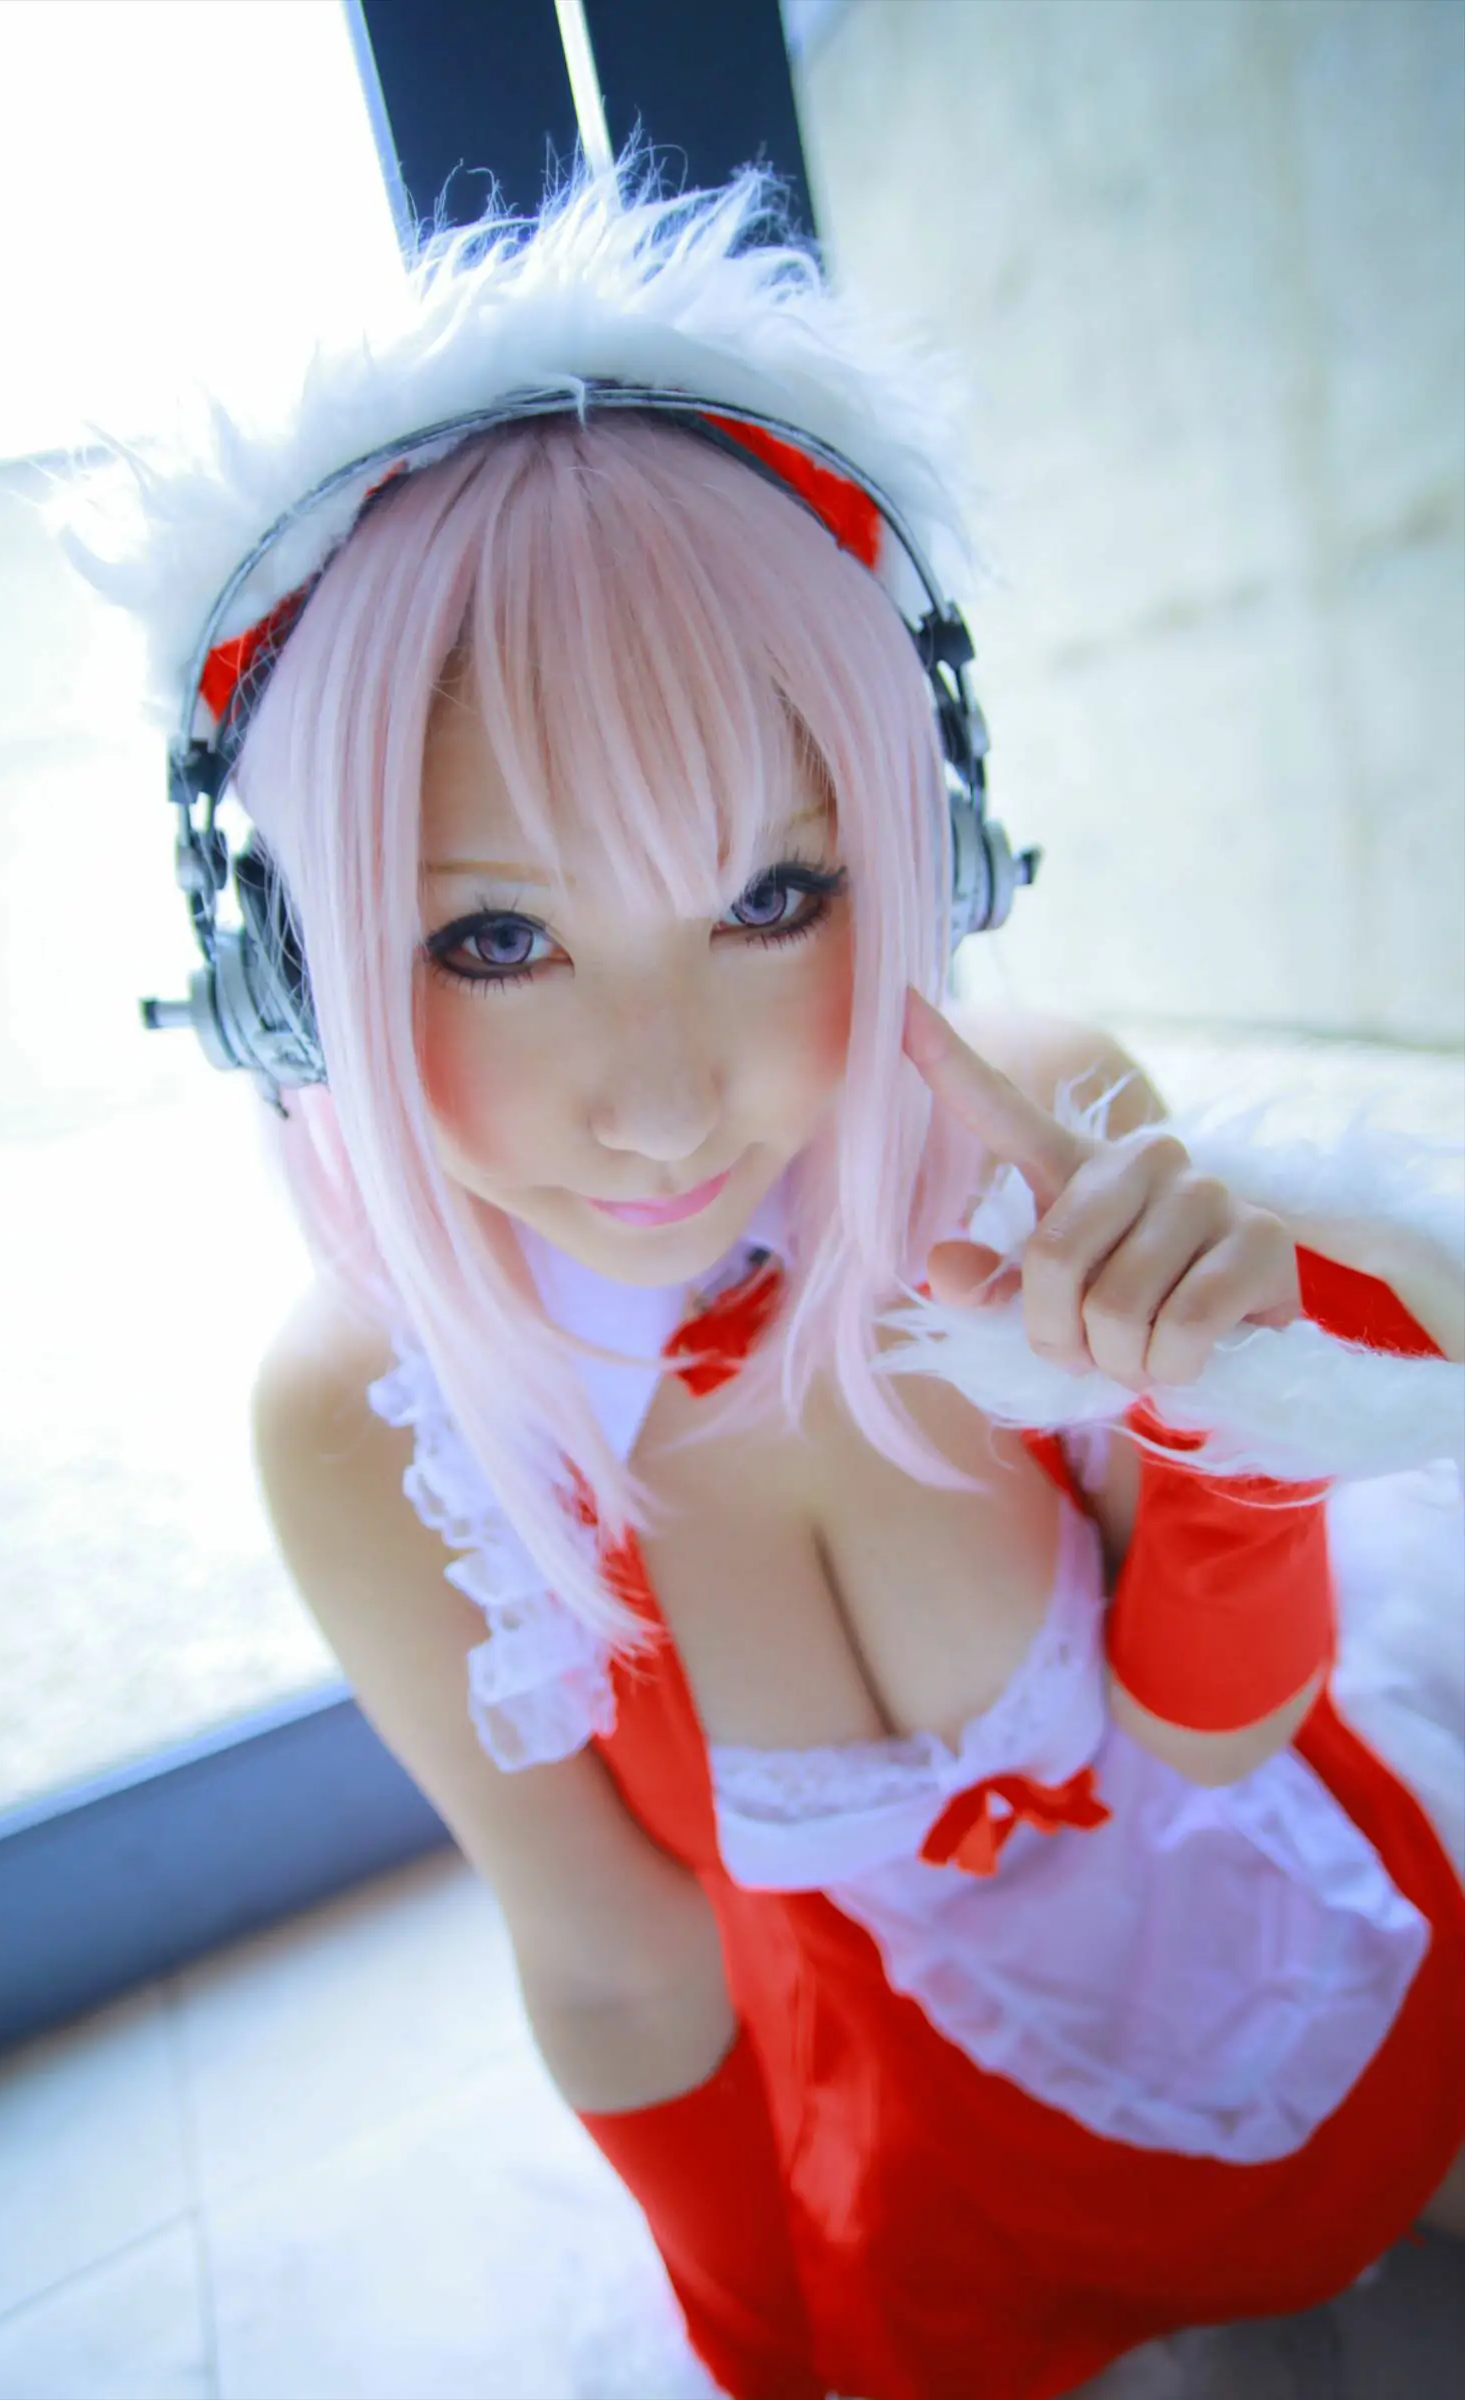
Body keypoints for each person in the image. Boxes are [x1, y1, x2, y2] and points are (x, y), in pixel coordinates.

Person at [78, 173, 1465, 2400]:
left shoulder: (1022, 1128)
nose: (658, 1103)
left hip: (1343, 1969)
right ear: (288, 974)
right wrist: (765, 2354)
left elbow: (1221, 1739)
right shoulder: (374, 1423)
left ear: (923, 851)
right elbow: (621, 1970)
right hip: (934, 2207)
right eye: (494, 938)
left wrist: (1225, 1411)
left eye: (770, 897)